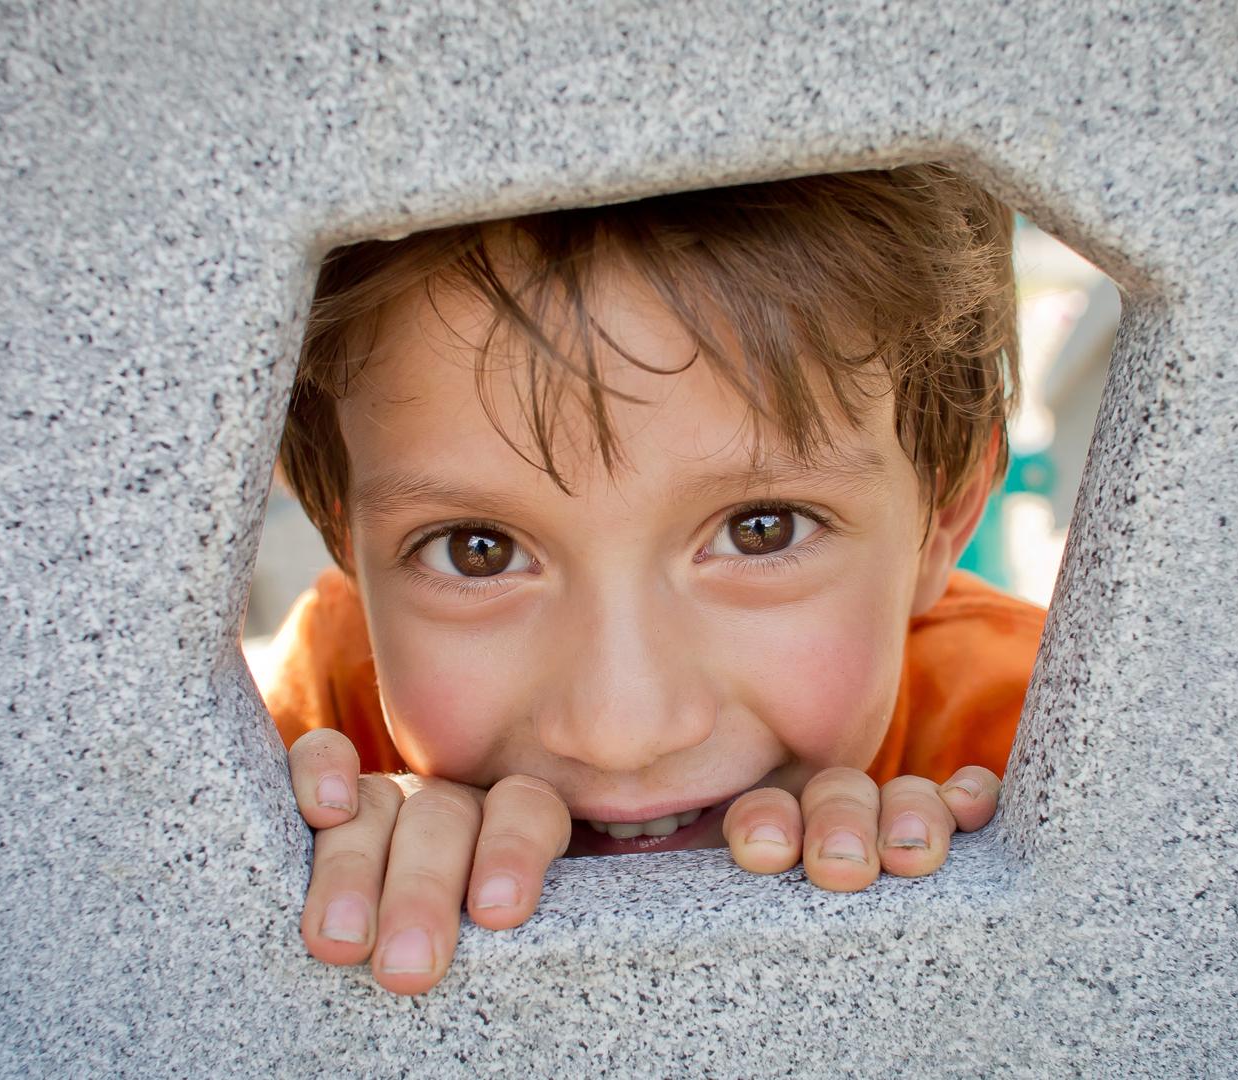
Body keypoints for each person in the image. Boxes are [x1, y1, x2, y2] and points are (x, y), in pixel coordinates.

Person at [259, 164, 1047, 995]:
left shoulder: (1049, 745)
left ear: (944, 521)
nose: (621, 731)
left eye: (760, 530)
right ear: (344, 545)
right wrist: (338, 868)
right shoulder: (327, 736)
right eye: (476, 550)